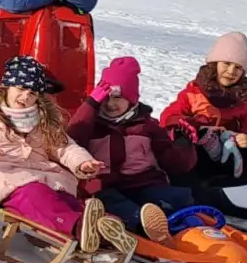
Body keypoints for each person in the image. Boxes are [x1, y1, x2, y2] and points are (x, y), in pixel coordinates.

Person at [0, 55, 136, 258]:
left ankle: (106, 226)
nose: (25, 97)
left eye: (32, 93)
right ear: (6, 87)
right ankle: (80, 228)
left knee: (67, 200)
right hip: (6, 181)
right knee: (37, 199)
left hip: (47, 178)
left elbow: (65, 148)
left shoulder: (42, 120)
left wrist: (83, 162)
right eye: (20, 89)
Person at [159, 32, 247, 244]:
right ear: (214, 63)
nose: (231, 71)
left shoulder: (246, 100)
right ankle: (195, 214)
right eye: (227, 63)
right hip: (195, 164)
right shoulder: (193, 92)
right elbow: (168, 118)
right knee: (177, 147)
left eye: (238, 67)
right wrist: (196, 128)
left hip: (230, 161)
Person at [67, 57, 195, 242]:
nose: (111, 103)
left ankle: (191, 224)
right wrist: (90, 106)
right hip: (107, 186)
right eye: (106, 97)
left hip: (143, 184)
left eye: (118, 97)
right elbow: (72, 138)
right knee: (111, 201)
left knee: (172, 197)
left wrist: (184, 142)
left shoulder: (147, 126)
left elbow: (176, 162)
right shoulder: (91, 125)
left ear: (132, 99)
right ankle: (141, 226)